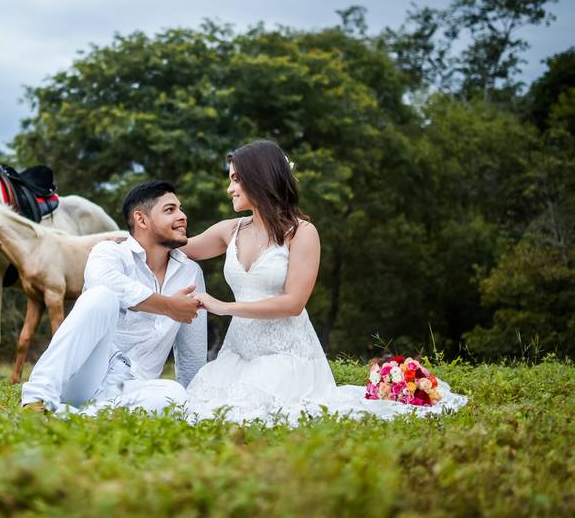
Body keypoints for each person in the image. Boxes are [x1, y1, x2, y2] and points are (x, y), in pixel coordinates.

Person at [181, 140, 467, 424]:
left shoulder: (302, 233)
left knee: (253, 410)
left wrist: (222, 306)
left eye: (235, 179)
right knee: (204, 404)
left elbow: (293, 304)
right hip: (238, 351)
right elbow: (178, 248)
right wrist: (141, 232)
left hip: (285, 354)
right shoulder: (229, 230)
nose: (229, 188)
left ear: (259, 178)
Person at [21, 180, 207, 415]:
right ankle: (36, 399)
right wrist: (168, 306)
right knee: (101, 296)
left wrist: (192, 404)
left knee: (177, 395)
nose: (182, 216)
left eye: (181, 209)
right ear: (141, 220)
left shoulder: (190, 272)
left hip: (130, 387)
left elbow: (192, 351)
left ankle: (71, 417)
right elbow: (103, 282)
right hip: (84, 375)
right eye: (170, 210)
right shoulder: (110, 252)